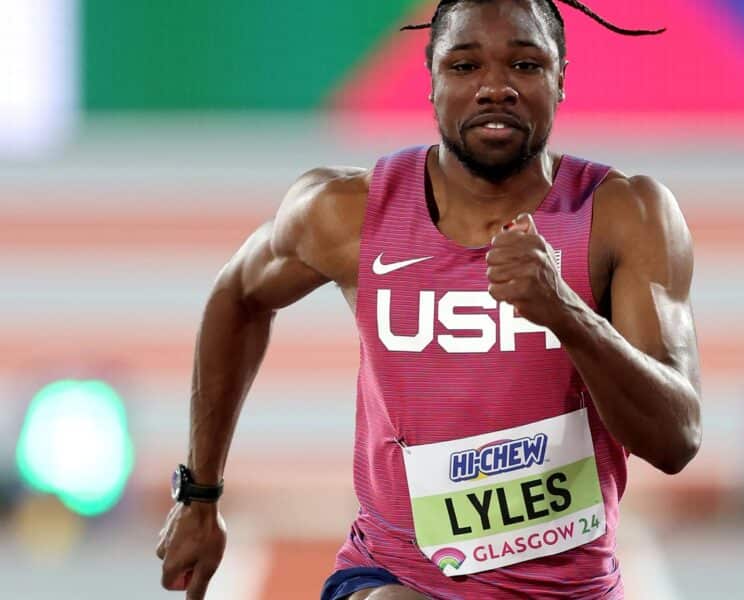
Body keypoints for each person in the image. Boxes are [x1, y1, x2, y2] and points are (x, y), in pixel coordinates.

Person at [155, 1, 702, 598]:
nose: (495, 88)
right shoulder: (348, 213)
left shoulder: (625, 214)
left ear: (561, 77)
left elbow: (675, 439)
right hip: (398, 576)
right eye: (465, 67)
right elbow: (237, 295)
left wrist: (566, 314)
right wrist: (198, 495)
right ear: (433, 78)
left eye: (524, 64)